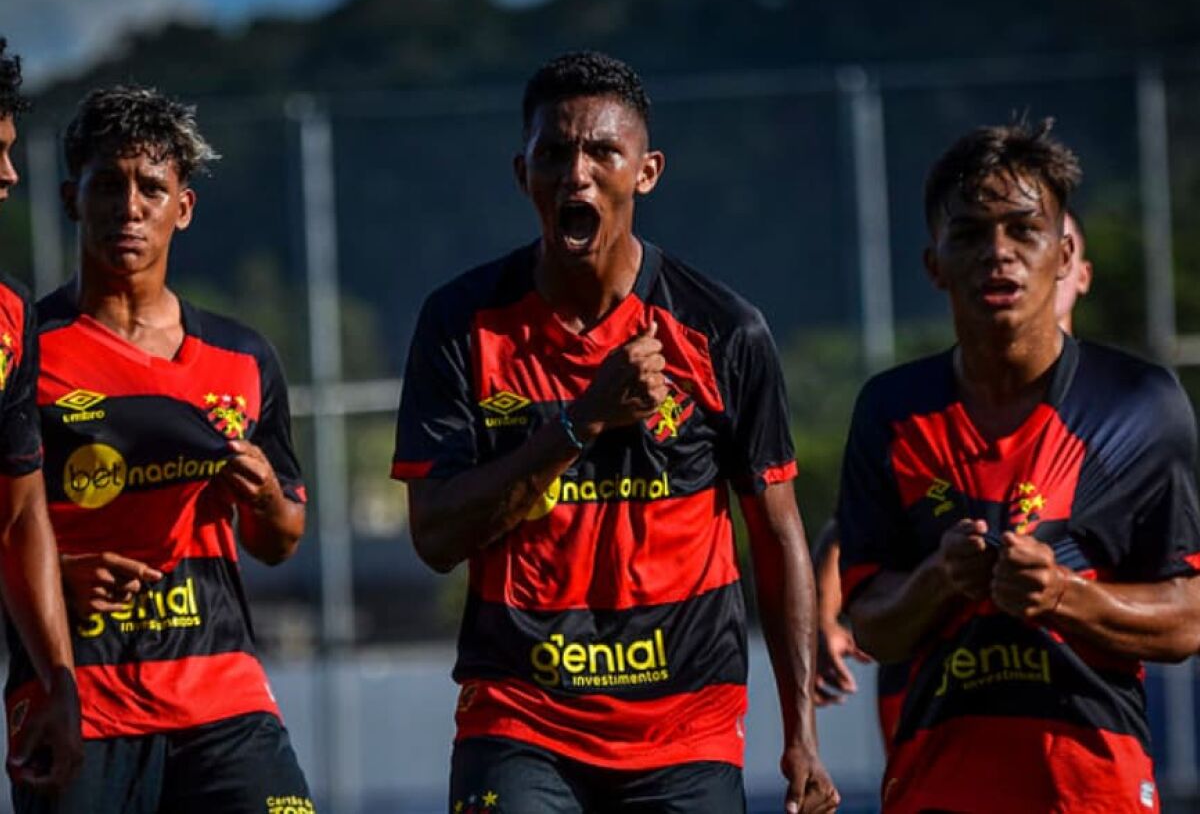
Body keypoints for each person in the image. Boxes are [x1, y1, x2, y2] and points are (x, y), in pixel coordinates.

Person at [392, 51, 838, 814]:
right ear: (521, 172)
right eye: (555, 153)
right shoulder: (459, 323)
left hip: (686, 727)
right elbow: (434, 537)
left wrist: (802, 734)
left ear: (647, 171)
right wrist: (581, 420)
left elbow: (777, 533)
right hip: (520, 719)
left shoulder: (726, 331)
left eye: (603, 151)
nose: (577, 174)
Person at [837, 119, 1200, 813]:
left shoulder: (1140, 402)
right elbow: (875, 629)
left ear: (1064, 254)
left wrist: (1064, 593)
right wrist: (941, 579)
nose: (997, 254)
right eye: (969, 235)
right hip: (937, 792)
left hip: (1094, 793)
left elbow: (1188, 621)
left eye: (1022, 231)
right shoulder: (890, 410)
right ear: (934, 264)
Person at [9, 85, 314, 813]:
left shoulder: (243, 357)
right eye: (108, 184)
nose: (130, 205)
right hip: (79, 701)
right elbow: (9, 524)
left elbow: (280, 540)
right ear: (70, 199)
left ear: (183, 208)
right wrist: (57, 575)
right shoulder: (23, 349)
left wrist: (267, 494)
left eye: (152, 187)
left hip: (223, 700)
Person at [812, 210, 1095, 756]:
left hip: (1070, 722)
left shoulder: (1116, 409)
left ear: (1075, 269)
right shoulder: (926, 405)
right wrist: (824, 615)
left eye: (1044, 244)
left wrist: (1073, 596)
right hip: (941, 707)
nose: (1021, 259)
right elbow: (851, 525)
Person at [0, 38, 83, 793]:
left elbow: (20, 514)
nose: (8, 175)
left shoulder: (9, 313)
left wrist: (59, 678)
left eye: (9, 150)